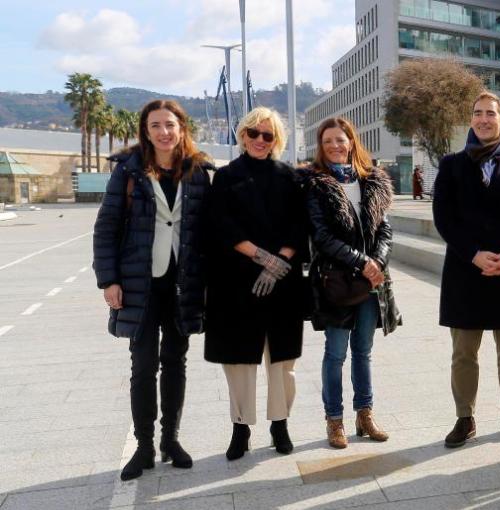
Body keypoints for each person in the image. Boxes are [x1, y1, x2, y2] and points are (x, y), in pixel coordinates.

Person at [93, 99, 214, 480]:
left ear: (182, 128)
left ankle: (170, 440)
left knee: (176, 363)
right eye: (156, 125)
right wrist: (108, 280)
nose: (164, 132)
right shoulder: (128, 172)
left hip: (182, 284)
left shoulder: (197, 172)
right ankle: (143, 447)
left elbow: (208, 232)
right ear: (146, 131)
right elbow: (106, 227)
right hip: (139, 284)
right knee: (143, 367)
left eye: (170, 124)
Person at [432, 91, 500, 448]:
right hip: (466, 272)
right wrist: (474, 254)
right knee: (464, 352)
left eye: (490, 113)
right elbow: (444, 219)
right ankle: (465, 417)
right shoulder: (450, 164)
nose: (483, 119)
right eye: (477, 113)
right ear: (471, 119)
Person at [204, 107, 309, 460]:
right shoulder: (225, 177)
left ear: (277, 139)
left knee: (282, 360)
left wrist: (280, 262)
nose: (260, 140)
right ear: (242, 135)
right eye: (254, 133)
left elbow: (300, 225)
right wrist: (263, 259)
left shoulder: (291, 177)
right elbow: (221, 225)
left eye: (268, 135)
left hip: (284, 280)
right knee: (238, 360)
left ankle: (280, 424)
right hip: (235, 280)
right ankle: (240, 428)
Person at [304, 117, 401, 449]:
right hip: (337, 282)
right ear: (321, 145)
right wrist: (364, 263)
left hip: (372, 283)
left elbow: (384, 230)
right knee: (335, 354)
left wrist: (378, 262)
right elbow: (322, 237)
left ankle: (365, 415)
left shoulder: (371, 180)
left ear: (351, 142)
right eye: (328, 140)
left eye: (340, 140)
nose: (335, 146)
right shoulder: (316, 185)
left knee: (364, 352)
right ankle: (335, 420)